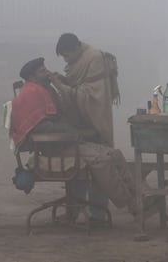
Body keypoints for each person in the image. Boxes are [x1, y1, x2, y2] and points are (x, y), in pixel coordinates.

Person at [11, 58, 152, 221]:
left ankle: (138, 195)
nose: (47, 72)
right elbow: (41, 128)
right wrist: (72, 132)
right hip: (55, 148)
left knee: (114, 154)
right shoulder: (31, 93)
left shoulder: (43, 89)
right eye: (43, 71)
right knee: (103, 162)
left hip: (67, 142)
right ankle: (131, 203)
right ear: (32, 76)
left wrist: (56, 84)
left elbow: (63, 109)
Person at [49, 33, 120, 221]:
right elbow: (77, 85)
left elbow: (89, 96)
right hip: (80, 123)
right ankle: (74, 208)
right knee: (77, 166)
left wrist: (60, 86)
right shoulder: (80, 61)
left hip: (95, 121)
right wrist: (64, 81)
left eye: (66, 56)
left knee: (100, 170)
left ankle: (98, 214)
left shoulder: (94, 58)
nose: (66, 60)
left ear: (76, 48)